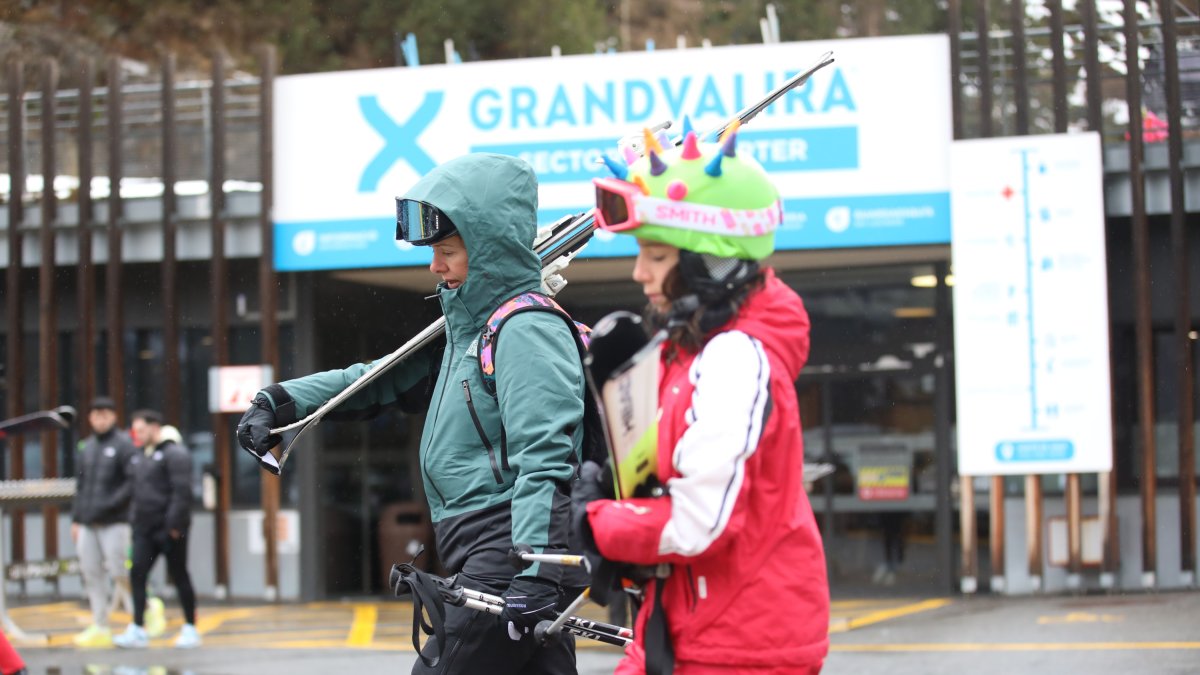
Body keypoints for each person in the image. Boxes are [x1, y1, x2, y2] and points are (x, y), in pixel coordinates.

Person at [237, 153, 587, 674]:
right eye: (433, 251)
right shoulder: (466, 331)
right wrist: (281, 402)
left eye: (448, 250)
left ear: (489, 251)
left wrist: (537, 570)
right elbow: (373, 380)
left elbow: (548, 457)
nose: (434, 265)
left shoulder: (525, 329)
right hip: (480, 547)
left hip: (506, 549)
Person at [582, 124, 831, 674]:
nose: (638, 271)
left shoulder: (734, 357)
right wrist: (612, 483)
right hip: (685, 632)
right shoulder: (689, 348)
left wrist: (593, 521)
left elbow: (698, 524)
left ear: (709, 264)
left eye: (656, 255)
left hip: (737, 648)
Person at [113, 409, 201, 649]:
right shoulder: (141, 456)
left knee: (179, 575)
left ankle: (191, 627)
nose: (137, 436)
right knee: (137, 574)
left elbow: (182, 493)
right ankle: (138, 627)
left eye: (141, 430)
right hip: (144, 529)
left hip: (169, 530)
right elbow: (136, 492)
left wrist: (173, 526)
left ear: (154, 428)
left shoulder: (175, 454)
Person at [71, 395, 137, 648]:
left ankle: (138, 619)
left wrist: (109, 505)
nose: (100, 419)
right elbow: (81, 486)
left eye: (105, 414)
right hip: (88, 523)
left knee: (120, 571)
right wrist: (76, 519)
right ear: (90, 418)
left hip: (115, 522)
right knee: (91, 573)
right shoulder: (86, 447)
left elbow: (132, 482)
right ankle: (100, 624)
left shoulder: (124, 445)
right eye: (96, 414)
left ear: (114, 417)